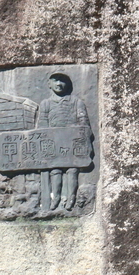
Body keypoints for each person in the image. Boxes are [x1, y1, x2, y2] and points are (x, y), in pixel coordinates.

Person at [35, 72, 91, 211]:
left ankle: (71, 198)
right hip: (53, 143)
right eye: (55, 80)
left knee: (72, 169)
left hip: (72, 142)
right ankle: (57, 198)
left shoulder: (76, 102)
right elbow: (41, 126)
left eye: (62, 81)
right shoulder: (46, 104)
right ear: (49, 83)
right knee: (55, 169)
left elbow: (84, 124)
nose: (59, 84)